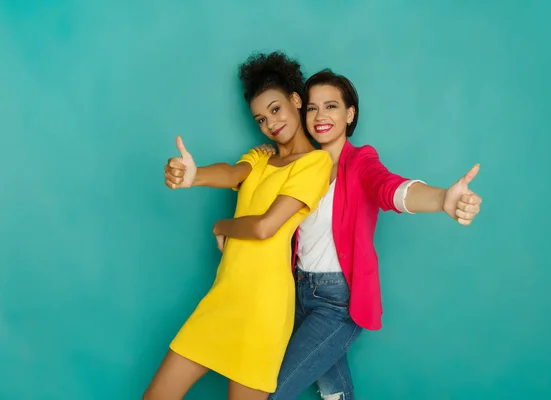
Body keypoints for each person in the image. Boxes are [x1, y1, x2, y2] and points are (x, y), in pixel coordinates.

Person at [253, 69, 483, 400]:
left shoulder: (361, 162)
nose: (320, 116)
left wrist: (441, 198)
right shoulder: (297, 166)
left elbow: (389, 188)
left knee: (271, 390)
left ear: (350, 114)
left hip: (336, 301)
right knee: (332, 390)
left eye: (331, 106)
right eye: (313, 108)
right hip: (296, 293)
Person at [144, 52, 332, 400]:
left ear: (295, 100)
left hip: (264, 307)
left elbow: (265, 228)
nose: (270, 123)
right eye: (261, 118)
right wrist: (194, 176)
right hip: (225, 295)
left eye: (275, 109)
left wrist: (222, 225)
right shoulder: (260, 157)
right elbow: (232, 173)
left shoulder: (315, 163)